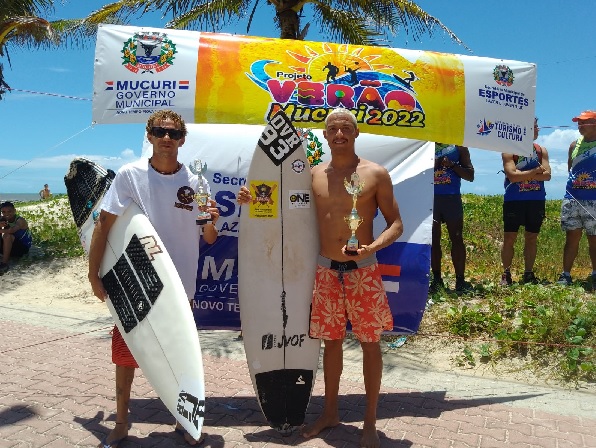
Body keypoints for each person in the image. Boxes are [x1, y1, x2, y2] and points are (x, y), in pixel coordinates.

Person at [238, 108, 403, 448]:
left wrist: (372, 244)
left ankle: (369, 422)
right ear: (325, 136)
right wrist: (254, 199)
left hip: (363, 272)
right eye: (332, 129)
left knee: (371, 345)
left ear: (356, 133)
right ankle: (330, 413)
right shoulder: (311, 176)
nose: (339, 134)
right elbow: (285, 206)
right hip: (326, 272)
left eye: (345, 128)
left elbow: (396, 223)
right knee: (330, 345)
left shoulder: (376, 174)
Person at [87, 110, 219, 448]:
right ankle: (121, 421)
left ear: (182, 140)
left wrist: (210, 221)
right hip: (135, 280)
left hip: (179, 286)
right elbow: (104, 224)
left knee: (180, 352)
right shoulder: (130, 176)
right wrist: (94, 274)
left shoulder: (196, 182)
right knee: (126, 354)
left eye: (173, 133)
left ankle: (185, 422)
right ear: (149, 136)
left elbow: (208, 239)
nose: (166, 138)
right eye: (160, 131)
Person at [500, 117, 551, 285]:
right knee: (509, 238)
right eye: (535, 127)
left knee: (531, 237)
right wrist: (535, 171)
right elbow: (512, 176)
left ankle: (528, 273)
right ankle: (506, 274)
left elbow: (547, 175)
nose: (537, 130)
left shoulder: (540, 150)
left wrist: (525, 174)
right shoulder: (509, 150)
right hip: (514, 200)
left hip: (536, 200)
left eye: (537, 126)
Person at [557, 110, 596, 287]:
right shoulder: (574, 146)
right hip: (573, 198)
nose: (580, 125)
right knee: (571, 237)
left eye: (584, 122)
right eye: (578, 122)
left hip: (594, 199)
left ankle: (595, 273)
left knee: (594, 238)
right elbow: (570, 170)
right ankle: (565, 274)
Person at [430, 142, 474, 293]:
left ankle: (460, 281)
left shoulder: (460, 146)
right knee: (433, 239)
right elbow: (418, 174)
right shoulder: (426, 145)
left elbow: (470, 175)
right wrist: (434, 165)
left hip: (451, 198)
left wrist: (453, 165)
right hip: (432, 199)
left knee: (457, 238)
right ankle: (436, 280)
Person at [0, 201, 33, 274]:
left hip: (22, 249)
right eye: (4, 212)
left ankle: (4, 263)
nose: (7, 214)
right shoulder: (3, 218)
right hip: (9, 247)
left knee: (7, 236)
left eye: (9, 211)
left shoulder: (20, 220)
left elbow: (12, 230)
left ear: (14, 211)